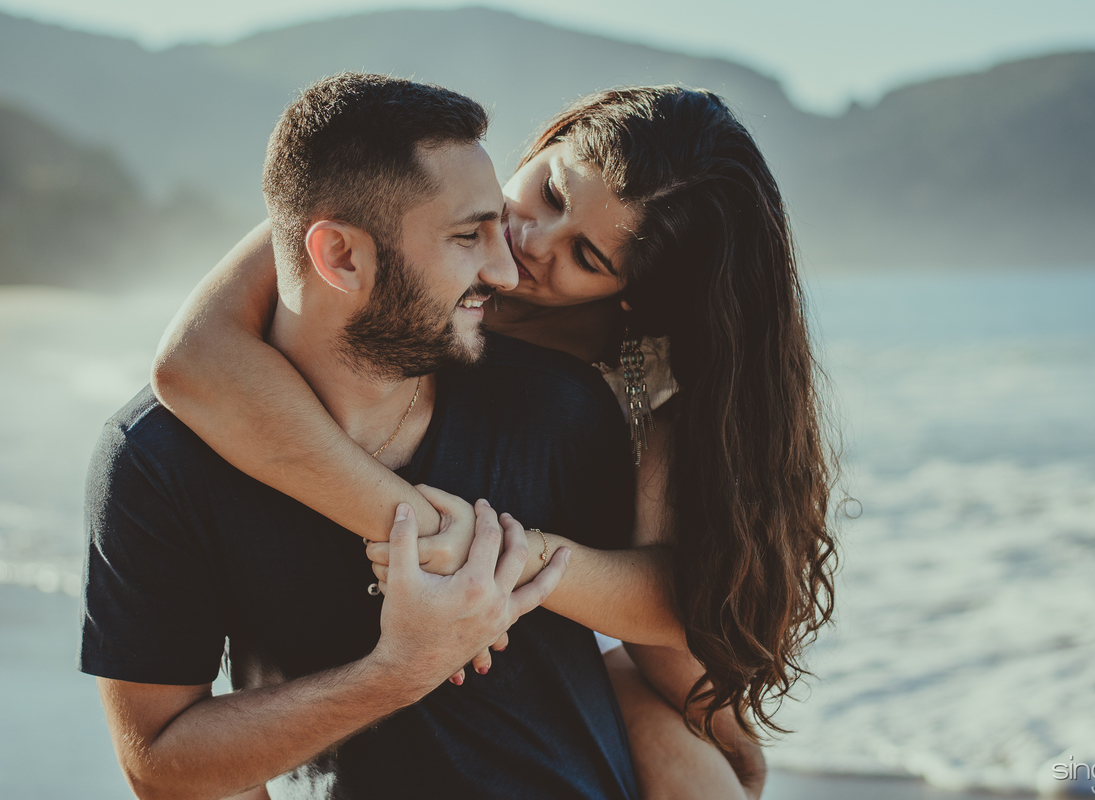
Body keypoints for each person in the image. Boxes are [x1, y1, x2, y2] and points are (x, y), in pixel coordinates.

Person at [154, 84, 838, 799]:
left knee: (694, 762)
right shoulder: (402, 208)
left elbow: (678, 610)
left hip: (575, 643)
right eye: (550, 191)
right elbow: (194, 361)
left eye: (587, 257)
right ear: (549, 139)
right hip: (395, 633)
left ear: (635, 295)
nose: (530, 239)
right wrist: (431, 533)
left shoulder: (651, 371)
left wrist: (508, 559)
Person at [81, 74, 657, 800]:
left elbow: (668, 621)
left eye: (494, 225)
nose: (506, 267)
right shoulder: (158, 460)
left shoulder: (557, 407)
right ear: (341, 258)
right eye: (466, 235)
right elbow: (159, 766)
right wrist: (401, 671)